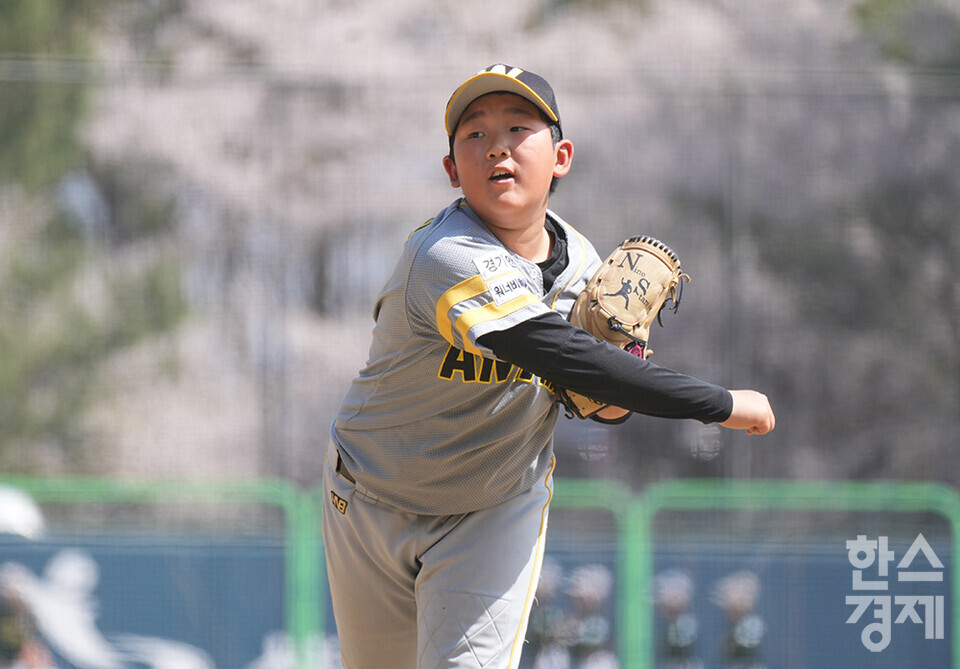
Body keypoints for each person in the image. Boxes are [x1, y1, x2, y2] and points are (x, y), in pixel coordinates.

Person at [322, 63, 775, 669]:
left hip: (492, 508)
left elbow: (600, 398)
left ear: (560, 156)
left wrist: (620, 376)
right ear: (453, 171)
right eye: (475, 134)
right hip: (371, 495)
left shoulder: (584, 268)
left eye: (518, 127)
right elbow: (556, 352)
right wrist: (720, 403)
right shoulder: (444, 255)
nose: (498, 146)